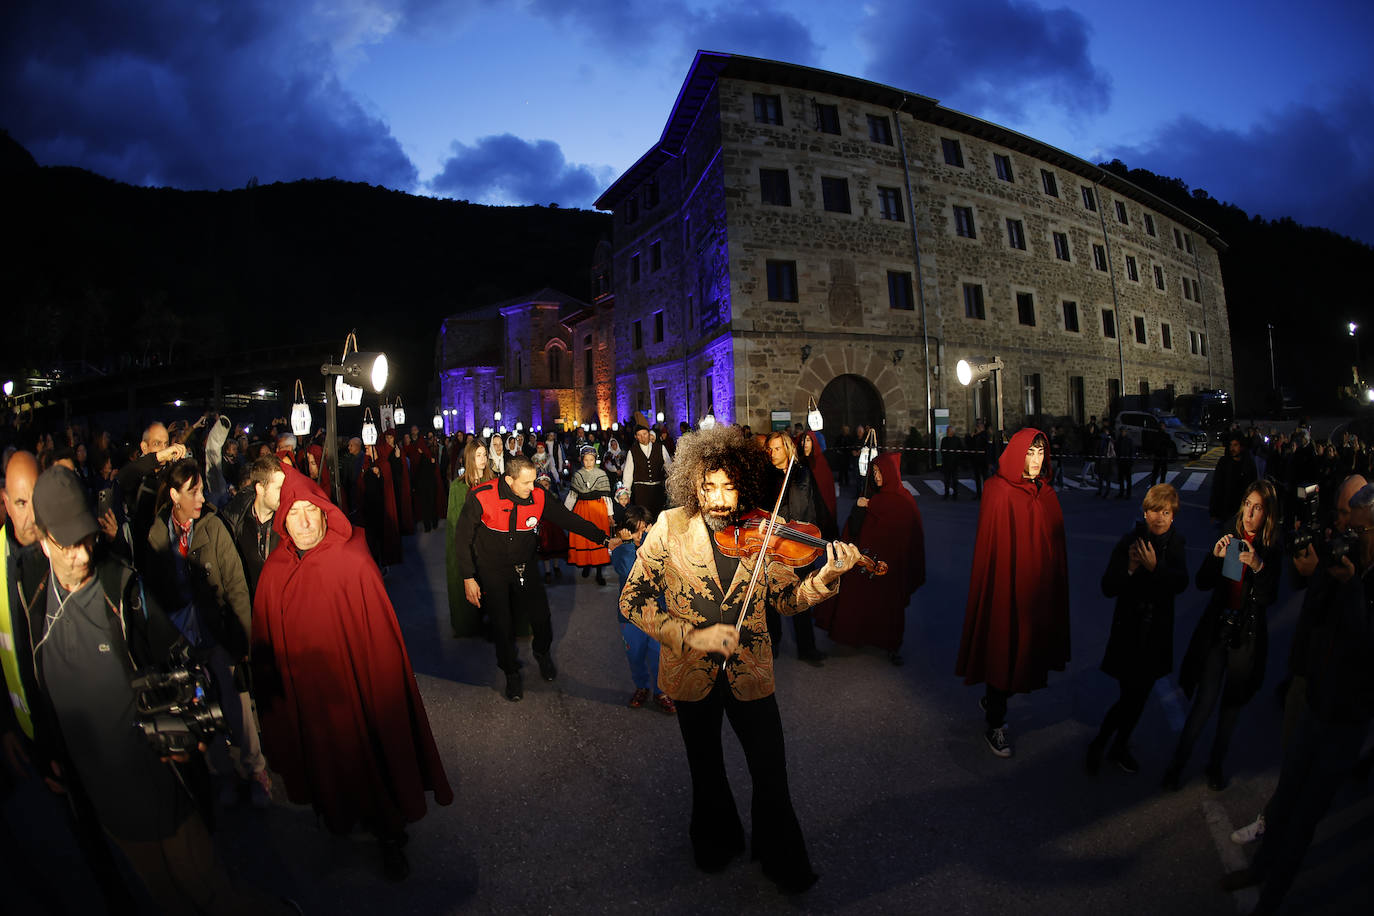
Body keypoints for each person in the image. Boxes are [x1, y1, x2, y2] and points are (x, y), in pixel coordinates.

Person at [19, 466, 293, 914]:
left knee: (209, 889)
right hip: (102, 797)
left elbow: (177, 658)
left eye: (87, 539)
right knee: (163, 898)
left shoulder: (121, 588)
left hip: (157, 783)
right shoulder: (27, 594)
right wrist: (45, 745)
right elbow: (37, 679)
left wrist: (184, 728)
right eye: (68, 546)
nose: (82, 556)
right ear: (44, 539)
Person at [618, 424, 861, 893]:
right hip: (691, 671)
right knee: (705, 768)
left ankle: (781, 856)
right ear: (692, 482)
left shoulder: (763, 529)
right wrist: (690, 636)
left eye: (729, 487)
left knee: (770, 769)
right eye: (708, 486)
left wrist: (826, 575)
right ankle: (717, 840)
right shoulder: (669, 526)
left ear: (743, 484)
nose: (718, 499)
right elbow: (632, 601)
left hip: (752, 669)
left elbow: (786, 601)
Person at [251, 467, 453, 881]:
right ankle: (340, 816)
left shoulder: (352, 559)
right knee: (328, 764)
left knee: (371, 761)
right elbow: (266, 644)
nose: (304, 521)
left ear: (326, 511)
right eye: (294, 513)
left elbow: (379, 640)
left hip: (358, 691)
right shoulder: (274, 571)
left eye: (311, 509)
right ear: (283, 520)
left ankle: (389, 835)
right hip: (311, 697)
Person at [1220, 483, 1374, 914]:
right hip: (1316, 698)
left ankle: (1270, 900)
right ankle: (1261, 868)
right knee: (1286, 797)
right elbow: (1315, 614)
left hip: (1346, 717)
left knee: (1305, 817)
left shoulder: (1364, 580)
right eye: (1346, 520)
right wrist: (1318, 572)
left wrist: (1351, 589)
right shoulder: (1347, 564)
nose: (1349, 532)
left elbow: (1365, 645)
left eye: (1360, 529)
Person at [143, 459, 270, 808]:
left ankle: (254, 769)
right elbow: (153, 596)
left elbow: (236, 586)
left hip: (217, 634)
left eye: (201, 489)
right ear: (174, 495)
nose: (201, 497)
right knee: (201, 708)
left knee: (237, 703)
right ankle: (225, 772)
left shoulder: (213, 527)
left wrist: (243, 638)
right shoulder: (157, 533)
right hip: (182, 642)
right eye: (193, 491)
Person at [453, 454, 619, 701]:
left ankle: (542, 653)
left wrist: (603, 538)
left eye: (534, 482)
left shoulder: (539, 496)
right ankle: (510, 672)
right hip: (492, 568)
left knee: (541, 617)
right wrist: (468, 577)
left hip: (525, 566)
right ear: (509, 480)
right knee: (502, 623)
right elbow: (462, 538)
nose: (533, 488)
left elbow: (568, 519)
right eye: (527, 483)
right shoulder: (481, 495)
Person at [955, 429, 1070, 758]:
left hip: (1037, 592)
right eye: (1030, 454)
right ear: (1018, 454)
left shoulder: (1045, 493)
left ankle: (994, 700)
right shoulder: (998, 491)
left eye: (1040, 454)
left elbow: (1054, 544)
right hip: (1007, 590)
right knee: (1004, 653)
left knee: (1026, 654)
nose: (1036, 461)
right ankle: (996, 723)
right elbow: (992, 549)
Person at [1163, 479, 1281, 791]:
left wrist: (1258, 565)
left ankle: (1215, 765)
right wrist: (1214, 558)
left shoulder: (1271, 544)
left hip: (1247, 635)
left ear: (1267, 515)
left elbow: (1269, 597)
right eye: (1248, 505)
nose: (1250, 513)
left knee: (1231, 707)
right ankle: (1178, 765)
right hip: (1219, 629)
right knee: (1205, 702)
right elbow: (1203, 583)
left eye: (1258, 508)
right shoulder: (1232, 532)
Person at [1086, 483, 1189, 775]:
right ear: (1144, 513)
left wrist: (1157, 568)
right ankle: (1102, 744)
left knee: (1139, 697)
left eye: (1165, 512)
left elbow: (1182, 583)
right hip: (1129, 634)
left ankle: (1118, 745)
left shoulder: (1176, 544)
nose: (1158, 518)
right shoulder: (1130, 541)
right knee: (1130, 696)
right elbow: (1108, 586)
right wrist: (1130, 568)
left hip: (1156, 636)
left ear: (1173, 515)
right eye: (1153, 511)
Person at [815, 451, 925, 665]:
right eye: (874, 472)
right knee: (861, 600)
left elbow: (911, 534)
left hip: (892, 566)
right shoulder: (871, 497)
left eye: (879, 472)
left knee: (890, 607)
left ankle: (892, 646)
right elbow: (854, 530)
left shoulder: (904, 500)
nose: (876, 476)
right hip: (869, 563)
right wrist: (859, 507)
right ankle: (858, 636)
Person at [763, 432, 831, 665]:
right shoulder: (766, 475)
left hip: (799, 542)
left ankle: (807, 648)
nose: (772, 454)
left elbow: (809, 506)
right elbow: (760, 508)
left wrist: (814, 535)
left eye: (777, 449)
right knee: (771, 597)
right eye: (769, 449)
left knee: (801, 597)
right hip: (774, 545)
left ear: (788, 448)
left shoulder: (802, 472)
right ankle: (773, 643)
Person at [612, 504, 674, 712]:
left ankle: (661, 691)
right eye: (633, 530)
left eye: (643, 529)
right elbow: (628, 571)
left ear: (650, 527)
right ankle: (641, 687)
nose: (639, 534)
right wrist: (628, 544)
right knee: (635, 656)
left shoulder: (660, 548)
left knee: (659, 657)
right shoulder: (621, 550)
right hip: (630, 618)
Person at [446, 439, 494, 637]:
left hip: (489, 544)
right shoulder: (458, 487)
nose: (482, 459)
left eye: (484, 455)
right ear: (469, 458)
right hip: (469, 543)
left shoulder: (493, 483)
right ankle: (471, 622)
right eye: (478, 455)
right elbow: (454, 520)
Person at [220, 455, 285, 599]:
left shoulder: (288, 521)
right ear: (260, 488)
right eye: (279, 488)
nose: (284, 493)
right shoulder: (235, 521)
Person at [566, 446, 614, 586]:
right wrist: (565, 513)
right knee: (584, 537)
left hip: (598, 510)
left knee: (598, 538)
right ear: (582, 460)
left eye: (591, 459)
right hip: (582, 509)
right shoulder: (577, 475)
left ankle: (599, 572)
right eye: (586, 460)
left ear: (595, 459)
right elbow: (572, 495)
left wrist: (610, 515)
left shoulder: (601, 474)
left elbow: (606, 497)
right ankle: (586, 564)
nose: (588, 462)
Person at [622, 424, 672, 518]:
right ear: (636, 437)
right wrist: (626, 493)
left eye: (644, 434)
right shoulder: (632, 451)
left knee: (659, 518)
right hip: (641, 492)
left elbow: (669, 467)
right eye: (639, 435)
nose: (643, 437)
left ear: (649, 434)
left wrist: (671, 486)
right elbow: (628, 473)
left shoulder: (660, 448)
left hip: (658, 490)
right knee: (643, 518)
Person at [1209, 432, 1258, 524]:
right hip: (1226, 510)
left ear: (1241, 446)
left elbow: (1253, 487)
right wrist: (1213, 512)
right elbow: (1216, 487)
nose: (1232, 448)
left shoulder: (1248, 463)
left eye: (1235, 445)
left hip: (1242, 510)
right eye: (1231, 445)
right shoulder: (1224, 463)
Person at [969, 419, 990, 499]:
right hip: (976, 459)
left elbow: (985, 444)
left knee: (985, 477)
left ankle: (985, 494)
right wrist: (972, 436)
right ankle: (978, 493)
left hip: (983, 459)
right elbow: (971, 444)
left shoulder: (985, 435)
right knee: (977, 477)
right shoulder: (975, 435)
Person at [940, 425, 961, 500]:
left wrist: (958, 460)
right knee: (947, 479)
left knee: (955, 479)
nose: (947, 432)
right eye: (947, 431)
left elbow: (960, 450)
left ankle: (955, 494)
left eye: (948, 431)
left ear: (952, 432)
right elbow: (942, 450)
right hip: (947, 462)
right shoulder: (944, 439)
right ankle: (946, 493)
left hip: (955, 463)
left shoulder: (957, 440)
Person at [1115, 425, 1136, 499]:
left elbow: (1132, 451)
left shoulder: (1129, 440)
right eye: (1121, 431)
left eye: (1123, 431)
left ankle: (1128, 493)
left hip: (1127, 461)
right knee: (1121, 478)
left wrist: (1131, 461)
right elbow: (1116, 450)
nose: (1122, 433)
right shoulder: (1119, 440)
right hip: (1121, 461)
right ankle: (1121, 492)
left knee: (1128, 478)